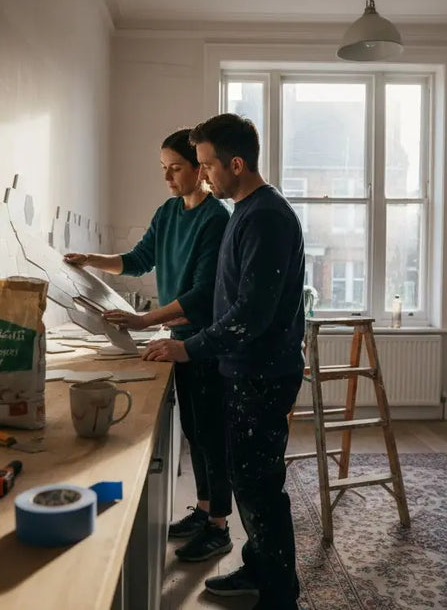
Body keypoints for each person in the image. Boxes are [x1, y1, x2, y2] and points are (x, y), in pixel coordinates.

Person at [142, 113, 306, 609]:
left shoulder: (267, 217)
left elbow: (249, 315)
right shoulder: (245, 211)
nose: (203, 172)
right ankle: (259, 570)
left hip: (263, 374)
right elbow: (229, 305)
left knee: (260, 490)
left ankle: (279, 597)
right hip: (244, 370)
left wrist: (187, 346)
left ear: (236, 163)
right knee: (248, 483)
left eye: (208, 163)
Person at [63, 128, 234, 562]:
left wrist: (143, 320)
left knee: (212, 435)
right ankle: (203, 510)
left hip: (206, 343)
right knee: (196, 432)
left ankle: (219, 527)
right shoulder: (168, 213)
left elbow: (201, 294)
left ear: (200, 169)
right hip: (179, 338)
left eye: (176, 169)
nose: (168, 177)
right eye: (164, 169)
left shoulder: (216, 220)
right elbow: (138, 260)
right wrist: (90, 259)